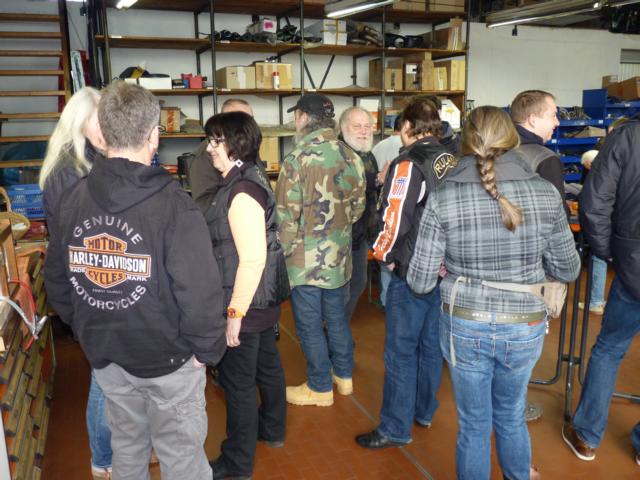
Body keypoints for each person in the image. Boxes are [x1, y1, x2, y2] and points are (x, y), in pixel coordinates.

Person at [44, 81, 226, 480]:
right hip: (170, 362)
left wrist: (90, 327)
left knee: (127, 452)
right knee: (182, 461)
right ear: (153, 135)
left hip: (108, 357)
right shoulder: (176, 206)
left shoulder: (73, 199)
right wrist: (206, 350)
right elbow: (201, 294)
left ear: (104, 134)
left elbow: (56, 280)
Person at [406, 106, 580, 480]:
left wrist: (447, 267)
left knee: (473, 422)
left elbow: (419, 282)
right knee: (512, 412)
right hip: (524, 323)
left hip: (465, 324)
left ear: (465, 143)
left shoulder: (444, 196)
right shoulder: (545, 193)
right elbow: (568, 269)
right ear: (512, 138)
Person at [356, 97, 457, 449]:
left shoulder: (408, 162)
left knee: (401, 351)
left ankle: (395, 427)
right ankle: (424, 410)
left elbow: (396, 217)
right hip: (444, 268)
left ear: (407, 127)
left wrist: (384, 255)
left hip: (411, 269)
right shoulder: (452, 158)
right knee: (431, 347)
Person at [202, 111, 289, 480]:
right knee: (267, 367)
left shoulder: (241, 193)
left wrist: (234, 313)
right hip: (261, 300)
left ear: (235, 145)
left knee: (237, 385)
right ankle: (273, 429)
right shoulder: (248, 179)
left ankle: (236, 463)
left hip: (247, 304)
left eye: (215, 141)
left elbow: (252, 258)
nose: (209, 148)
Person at [39, 87, 115, 480]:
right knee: (105, 375)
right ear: (81, 121)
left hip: (95, 281)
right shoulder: (70, 170)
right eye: (100, 120)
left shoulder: (83, 161)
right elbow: (80, 236)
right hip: (88, 285)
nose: (106, 128)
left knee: (110, 372)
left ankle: (112, 452)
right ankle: (102, 460)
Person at [276, 93, 365, 406]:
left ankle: (319, 387)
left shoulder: (296, 160)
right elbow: (358, 209)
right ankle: (344, 377)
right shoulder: (351, 155)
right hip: (339, 258)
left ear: (303, 118)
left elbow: (286, 218)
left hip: (306, 262)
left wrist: (283, 257)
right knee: (337, 319)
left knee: (309, 325)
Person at [563, 114, 640, 466]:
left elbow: (595, 202)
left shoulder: (626, 137)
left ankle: (587, 435)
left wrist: (608, 251)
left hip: (633, 267)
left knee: (610, 348)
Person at [577, 116, 628, 316]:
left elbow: (599, 197)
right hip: (623, 221)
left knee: (600, 257)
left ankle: (597, 301)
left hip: (615, 219)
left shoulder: (613, 156)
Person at [338, 106, 379, 322]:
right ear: (343, 127)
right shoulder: (337, 155)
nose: (364, 131)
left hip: (361, 235)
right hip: (340, 238)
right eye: (357, 126)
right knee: (341, 289)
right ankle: (334, 332)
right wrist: (377, 180)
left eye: (367, 126)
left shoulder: (367, 154)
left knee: (358, 282)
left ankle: (338, 329)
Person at [188, 98, 256, 211]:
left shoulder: (247, 146)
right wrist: (239, 203)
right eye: (242, 121)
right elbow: (204, 204)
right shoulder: (207, 154)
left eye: (251, 120)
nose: (249, 126)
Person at [510, 90, 566, 204]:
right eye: (553, 116)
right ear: (533, 120)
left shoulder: (497, 150)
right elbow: (557, 208)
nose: (557, 122)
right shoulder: (546, 160)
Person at [371, 116, 403, 309]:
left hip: (382, 210)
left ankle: (384, 300)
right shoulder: (411, 148)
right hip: (403, 211)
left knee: (385, 257)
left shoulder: (379, 146)